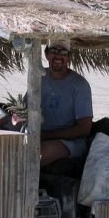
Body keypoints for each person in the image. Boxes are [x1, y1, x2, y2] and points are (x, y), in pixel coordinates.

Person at [39, 39, 93, 167]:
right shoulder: (39, 77)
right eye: (54, 51)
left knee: (36, 154)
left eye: (63, 52)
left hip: (70, 142)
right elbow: (25, 108)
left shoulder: (80, 85)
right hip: (40, 136)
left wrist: (46, 136)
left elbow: (84, 128)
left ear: (69, 57)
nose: (58, 55)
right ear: (46, 54)